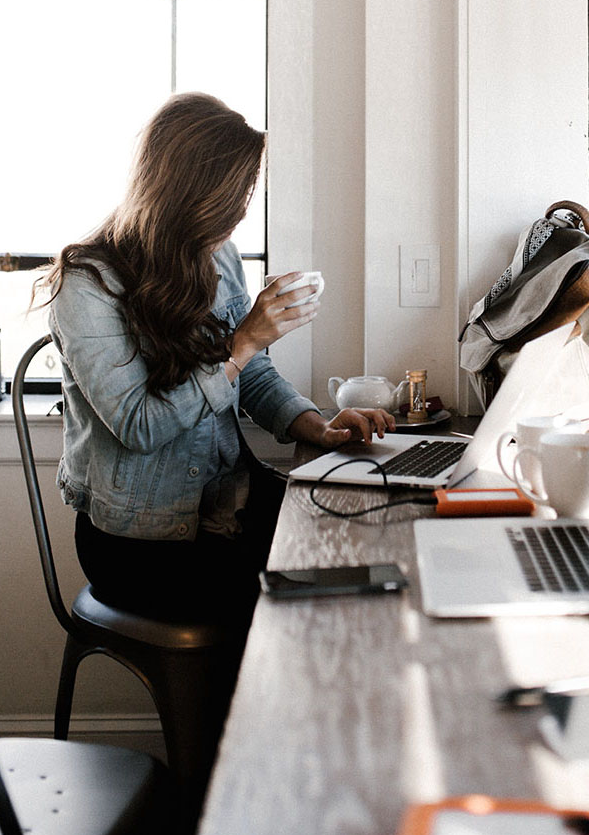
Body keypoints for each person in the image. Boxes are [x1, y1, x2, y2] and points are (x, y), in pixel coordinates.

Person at [39, 92, 395, 627]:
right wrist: (243, 341)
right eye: (236, 194)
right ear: (189, 191)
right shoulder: (87, 284)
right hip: (141, 543)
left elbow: (249, 374)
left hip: (226, 507)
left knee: (362, 542)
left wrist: (317, 427)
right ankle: (262, 708)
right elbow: (140, 425)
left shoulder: (216, 254)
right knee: (315, 602)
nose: (242, 210)